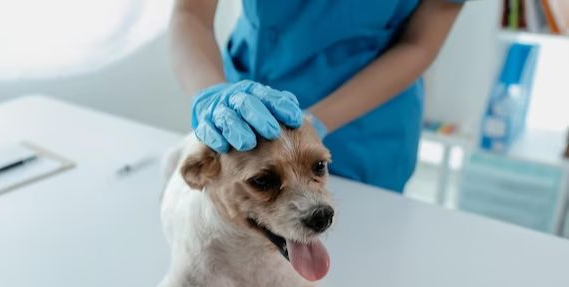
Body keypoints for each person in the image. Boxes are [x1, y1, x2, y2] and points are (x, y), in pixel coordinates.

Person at [169, 0, 465, 192]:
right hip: (247, 107)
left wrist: (315, 122)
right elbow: (190, 13)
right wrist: (212, 95)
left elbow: (420, 44)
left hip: (365, 130)